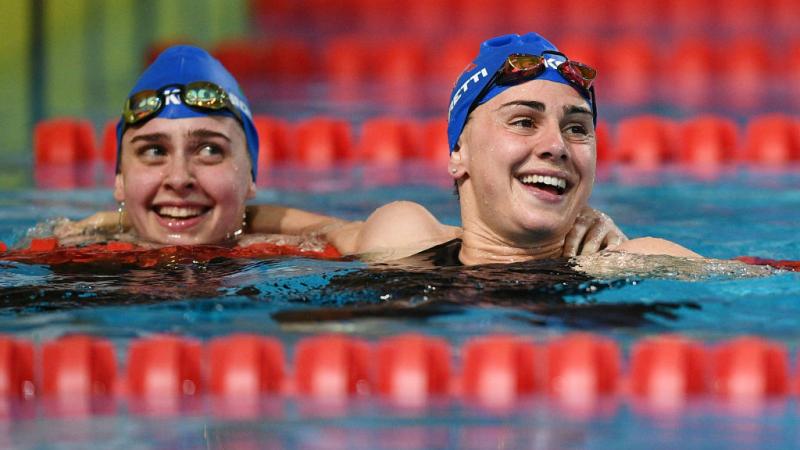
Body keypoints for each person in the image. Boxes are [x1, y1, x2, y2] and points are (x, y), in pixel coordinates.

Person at [55, 40, 627, 256]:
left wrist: (564, 228)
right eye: (153, 153)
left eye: (209, 152)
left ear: (250, 177)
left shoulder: (283, 251)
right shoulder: (50, 257)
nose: (180, 177)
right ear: (117, 179)